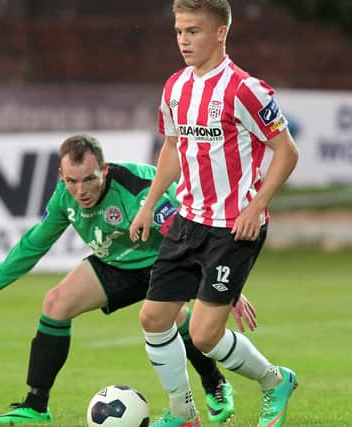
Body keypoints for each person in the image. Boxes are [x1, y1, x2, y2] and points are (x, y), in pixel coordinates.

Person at [0, 134, 258, 425]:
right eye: (71, 181)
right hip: (114, 262)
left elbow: (187, 238)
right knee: (56, 303)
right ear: (62, 175)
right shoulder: (65, 198)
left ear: (104, 169)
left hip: (166, 259)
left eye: (89, 179)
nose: (80, 190)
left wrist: (227, 289)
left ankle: (214, 383)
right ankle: (35, 405)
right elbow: (34, 243)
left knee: (178, 322)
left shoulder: (136, 189)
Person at [129, 1, 300, 427]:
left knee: (204, 335)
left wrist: (256, 205)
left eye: (194, 31)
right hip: (187, 220)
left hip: (233, 228)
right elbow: (172, 148)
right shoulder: (174, 88)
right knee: (152, 317)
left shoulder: (245, 89)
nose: (184, 40)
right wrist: (149, 204)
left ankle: (274, 381)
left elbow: (287, 152)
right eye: (179, 31)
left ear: (221, 32)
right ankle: (183, 413)